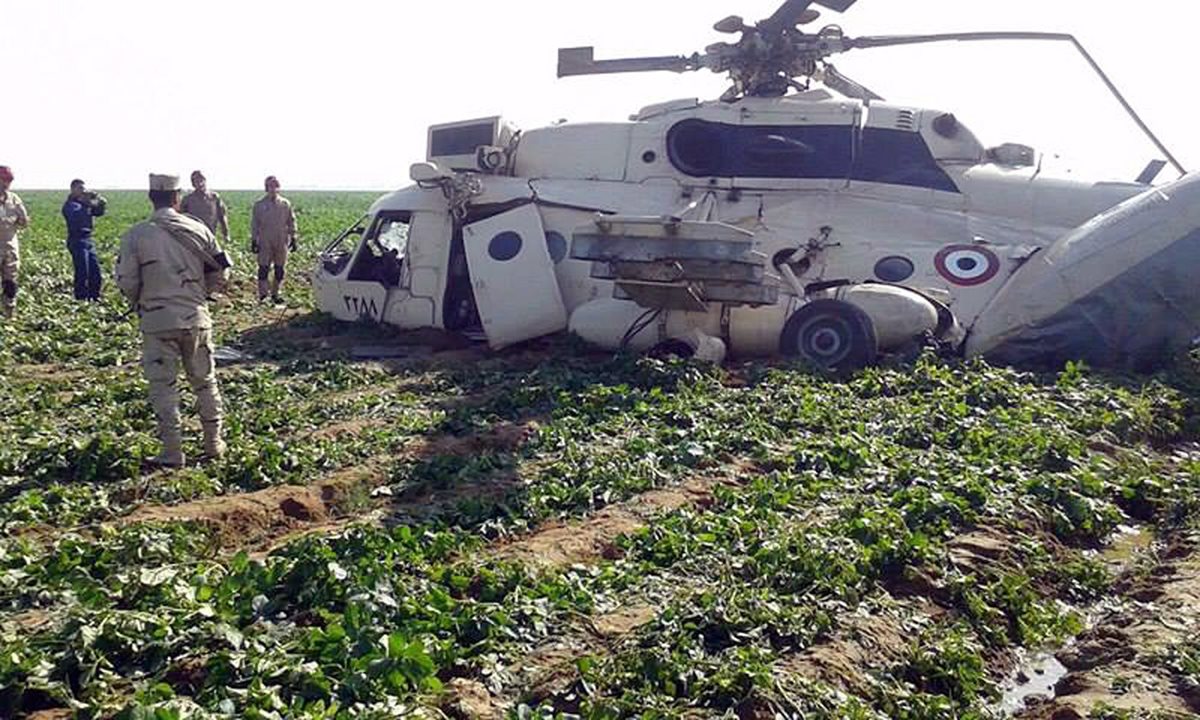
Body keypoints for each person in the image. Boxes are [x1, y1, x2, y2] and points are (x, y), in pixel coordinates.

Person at [115, 173, 231, 467]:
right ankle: (214, 443)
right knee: (205, 382)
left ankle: (172, 452)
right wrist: (201, 293)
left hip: (157, 322)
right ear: (178, 198)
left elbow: (127, 281)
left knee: (164, 387)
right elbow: (222, 271)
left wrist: (142, 300)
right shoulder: (199, 229)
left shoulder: (136, 235)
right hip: (196, 318)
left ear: (151, 197)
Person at [250, 175, 296, 303]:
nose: (273, 189)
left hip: (281, 241)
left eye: (275, 186)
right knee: (263, 268)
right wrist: (254, 240)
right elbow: (255, 224)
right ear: (266, 188)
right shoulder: (259, 205)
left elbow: (291, 221)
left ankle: (276, 294)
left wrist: (294, 237)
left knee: (280, 269)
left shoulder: (285, 204)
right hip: (265, 241)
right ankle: (263, 295)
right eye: (270, 186)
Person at [61, 178, 107, 301]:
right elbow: (76, 216)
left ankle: (94, 296)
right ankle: (81, 298)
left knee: (95, 271)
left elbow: (98, 212)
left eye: (84, 188)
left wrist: (100, 202)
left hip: (88, 240)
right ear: (73, 189)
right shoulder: (70, 205)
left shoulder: (83, 203)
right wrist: (87, 203)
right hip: (77, 240)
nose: (83, 191)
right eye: (80, 188)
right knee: (82, 271)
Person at [0, 166, 29, 319]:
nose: (5, 184)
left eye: (8, 181)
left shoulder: (14, 199)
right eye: (3, 180)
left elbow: (24, 222)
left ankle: (9, 314)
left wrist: (22, 220)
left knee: (10, 283)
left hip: (10, 247)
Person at [180, 170, 230, 244]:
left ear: (205, 180)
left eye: (201, 179)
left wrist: (226, 235)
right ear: (193, 184)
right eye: (196, 181)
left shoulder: (214, 197)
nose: (200, 183)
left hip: (211, 236)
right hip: (194, 238)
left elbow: (222, 216)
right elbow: (181, 218)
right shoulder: (187, 200)